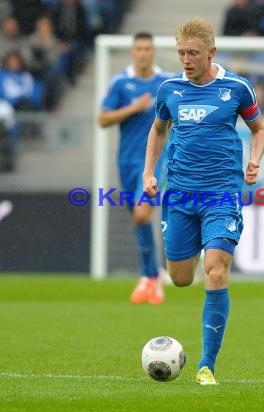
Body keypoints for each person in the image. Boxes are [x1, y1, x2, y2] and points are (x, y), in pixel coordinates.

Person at [142, 17, 264, 385]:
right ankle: (194, 248)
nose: (186, 59)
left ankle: (206, 365)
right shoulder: (169, 90)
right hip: (179, 195)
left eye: (192, 53)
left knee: (215, 269)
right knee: (180, 278)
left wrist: (255, 159)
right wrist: (148, 173)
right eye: (181, 53)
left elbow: (259, 129)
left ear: (211, 52)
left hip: (222, 194)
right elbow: (158, 129)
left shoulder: (237, 88)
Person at [98, 32, 171, 305]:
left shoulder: (166, 82)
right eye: (139, 48)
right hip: (127, 161)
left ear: (153, 52)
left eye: (147, 48)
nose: (143, 53)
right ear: (133, 52)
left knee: (142, 214)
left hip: (155, 161)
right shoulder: (120, 83)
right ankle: (151, 276)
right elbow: (103, 119)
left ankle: (150, 274)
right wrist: (133, 108)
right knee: (138, 219)